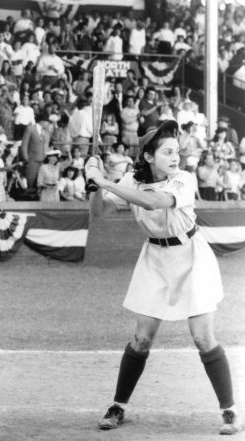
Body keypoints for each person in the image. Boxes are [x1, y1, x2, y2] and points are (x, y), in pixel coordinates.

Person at [86, 120, 241, 435]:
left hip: (191, 256)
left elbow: (152, 201)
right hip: (155, 258)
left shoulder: (182, 179)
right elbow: (99, 212)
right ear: (148, 157)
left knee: (202, 336)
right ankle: (119, 406)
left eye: (177, 152)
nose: (176, 158)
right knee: (142, 339)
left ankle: (230, 411)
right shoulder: (131, 179)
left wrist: (104, 180)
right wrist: (92, 184)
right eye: (168, 152)